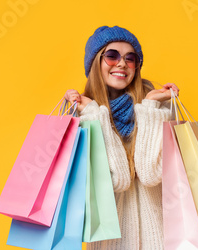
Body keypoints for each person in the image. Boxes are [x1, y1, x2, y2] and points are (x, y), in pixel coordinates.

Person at [64, 25, 179, 250]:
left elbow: (150, 174)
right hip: (110, 243)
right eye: (111, 55)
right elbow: (117, 181)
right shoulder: (84, 115)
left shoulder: (156, 109)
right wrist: (95, 117)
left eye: (130, 58)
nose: (121, 63)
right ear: (95, 63)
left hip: (161, 239)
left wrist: (152, 108)